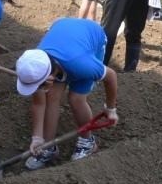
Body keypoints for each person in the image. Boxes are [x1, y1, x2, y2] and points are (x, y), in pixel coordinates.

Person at [16, 18, 118, 170]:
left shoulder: (82, 64)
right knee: (51, 97)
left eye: (40, 85)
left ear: (50, 76)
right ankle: (49, 147)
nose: (38, 88)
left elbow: (111, 76)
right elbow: (38, 103)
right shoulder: (35, 65)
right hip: (64, 32)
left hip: (92, 38)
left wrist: (110, 109)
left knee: (76, 98)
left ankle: (87, 142)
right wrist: (37, 138)